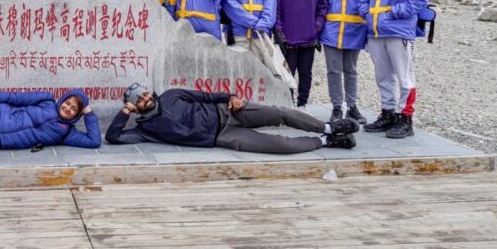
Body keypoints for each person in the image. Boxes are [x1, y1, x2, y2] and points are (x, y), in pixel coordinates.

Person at [105, 83, 359, 154]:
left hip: (228, 112)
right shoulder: (146, 129)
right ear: (134, 107)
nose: (145, 98)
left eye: (145, 93)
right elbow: (113, 137)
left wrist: (232, 96)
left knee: (279, 113)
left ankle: (327, 126)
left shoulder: (171, 95)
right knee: (282, 145)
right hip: (222, 137)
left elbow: (206, 96)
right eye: (138, 100)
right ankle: (325, 142)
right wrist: (124, 112)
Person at [355, 0, 428, 139]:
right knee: (383, 77)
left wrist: (392, 13)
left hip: (399, 33)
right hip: (376, 33)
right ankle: (388, 114)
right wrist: (367, 14)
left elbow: (419, 0)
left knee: (405, 77)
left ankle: (406, 118)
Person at [319, 0, 369, 124]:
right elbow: (320, 4)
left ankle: (353, 107)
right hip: (331, 32)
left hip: (355, 31)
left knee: (351, 70)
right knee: (333, 71)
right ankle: (337, 107)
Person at [273, 0, 329, 108]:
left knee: (306, 73)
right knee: (287, 73)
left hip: (309, 37)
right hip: (287, 38)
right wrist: (279, 30)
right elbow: (275, 8)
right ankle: (288, 105)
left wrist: (318, 25)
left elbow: (323, 6)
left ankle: (302, 104)